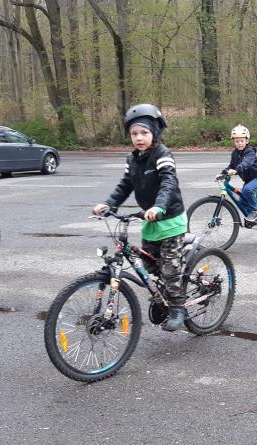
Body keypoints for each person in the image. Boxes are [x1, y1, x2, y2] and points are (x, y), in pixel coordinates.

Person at [92, 104, 188, 332]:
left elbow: (168, 182)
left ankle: (177, 308)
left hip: (170, 221)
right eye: (134, 133)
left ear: (154, 132)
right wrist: (109, 203)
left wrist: (159, 206)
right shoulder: (132, 159)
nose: (139, 138)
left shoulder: (162, 154)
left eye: (144, 132)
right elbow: (125, 185)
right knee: (150, 269)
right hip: (150, 223)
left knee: (170, 269)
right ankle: (159, 298)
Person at [223, 125, 257, 223]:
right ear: (234, 142)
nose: (239, 143)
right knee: (241, 202)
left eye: (242, 141)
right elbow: (232, 165)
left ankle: (255, 212)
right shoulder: (235, 153)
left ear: (246, 141)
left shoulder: (250, 151)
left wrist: (237, 170)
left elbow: (246, 163)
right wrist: (223, 172)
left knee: (247, 190)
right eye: (237, 141)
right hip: (248, 180)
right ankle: (252, 220)